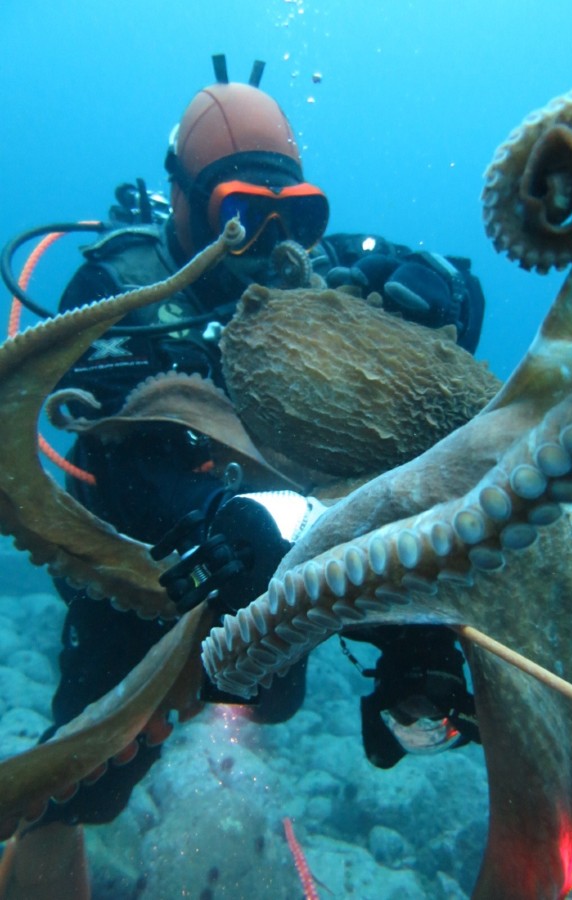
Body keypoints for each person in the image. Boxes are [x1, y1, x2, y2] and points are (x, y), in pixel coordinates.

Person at [0, 55, 485, 898]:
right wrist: (206, 516)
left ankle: (420, 677)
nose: (270, 242)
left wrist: (433, 286)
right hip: (149, 572)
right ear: (183, 198)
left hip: (288, 543)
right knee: (80, 778)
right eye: (239, 213)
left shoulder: (323, 270)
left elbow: (457, 291)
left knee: (309, 664)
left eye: (294, 214)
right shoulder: (118, 285)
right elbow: (112, 438)